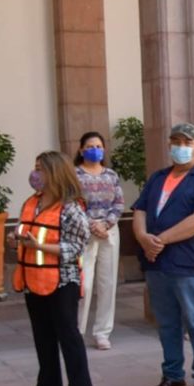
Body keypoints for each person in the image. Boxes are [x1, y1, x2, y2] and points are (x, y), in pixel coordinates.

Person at [134, 123, 194, 386]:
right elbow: (140, 209)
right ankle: (172, 376)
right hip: (156, 262)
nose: (180, 147)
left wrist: (160, 240)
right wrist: (143, 238)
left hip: (186, 261)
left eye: (186, 142)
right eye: (175, 142)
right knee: (167, 322)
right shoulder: (158, 177)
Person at [11, 151, 95, 386]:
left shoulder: (71, 208)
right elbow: (25, 232)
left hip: (62, 281)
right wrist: (16, 241)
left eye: (40, 168)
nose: (35, 174)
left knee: (68, 336)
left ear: (55, 173)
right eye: (35, 167)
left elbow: (76, 247)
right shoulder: (30, 203)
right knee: (42, 338)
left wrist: (40, 247)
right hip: (32, 279)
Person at [73, 132, 123, 350]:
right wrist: (91, 225)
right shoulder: (74, 175)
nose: (95, 150)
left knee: (107, 283)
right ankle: (77, 331)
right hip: (84, 233)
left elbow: (119, 203)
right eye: (90, 146)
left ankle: (102, 332)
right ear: (81, 150)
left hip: (109, 231)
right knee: (84, 284)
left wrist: (106, 224)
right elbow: (71, 204)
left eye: (99, 146)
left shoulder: (111, 175)